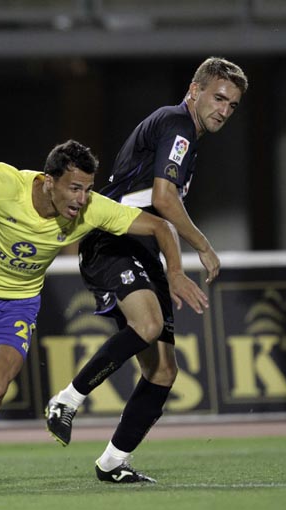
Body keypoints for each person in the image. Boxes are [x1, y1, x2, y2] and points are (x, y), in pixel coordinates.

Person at [0, 139, 208, 492]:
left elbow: (160, 227)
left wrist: (175, 273)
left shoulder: (90, 209)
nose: (82, 198)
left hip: (14, 306)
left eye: (88, 189)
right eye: (74, 188)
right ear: (49, 181)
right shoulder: (3, 182)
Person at [45, 57, 249, 483]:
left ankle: (113, 462)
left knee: (163, 371)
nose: (224, 110)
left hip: (143, 242)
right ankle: (67, 399)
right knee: (149, 323)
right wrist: (203, 247)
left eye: (232, 105)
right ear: (194, 90)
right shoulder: (178, 124)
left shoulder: (183, 131)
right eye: (218, 98)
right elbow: (165, 199)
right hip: (115, 238)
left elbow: (161, 210)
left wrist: (173, 265)